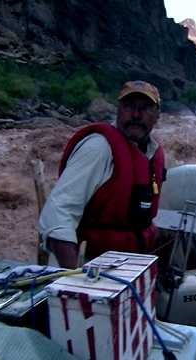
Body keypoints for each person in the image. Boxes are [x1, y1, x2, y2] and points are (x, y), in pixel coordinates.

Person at [38, 80, 165, 269]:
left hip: (134, 265)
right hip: (96, 271)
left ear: (157, 116)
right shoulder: (98, 149)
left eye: (145, 108)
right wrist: (75, 278)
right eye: (129, 106)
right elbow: (58, 213)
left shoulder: (151, 150)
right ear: (118, 109)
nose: (136, 115)